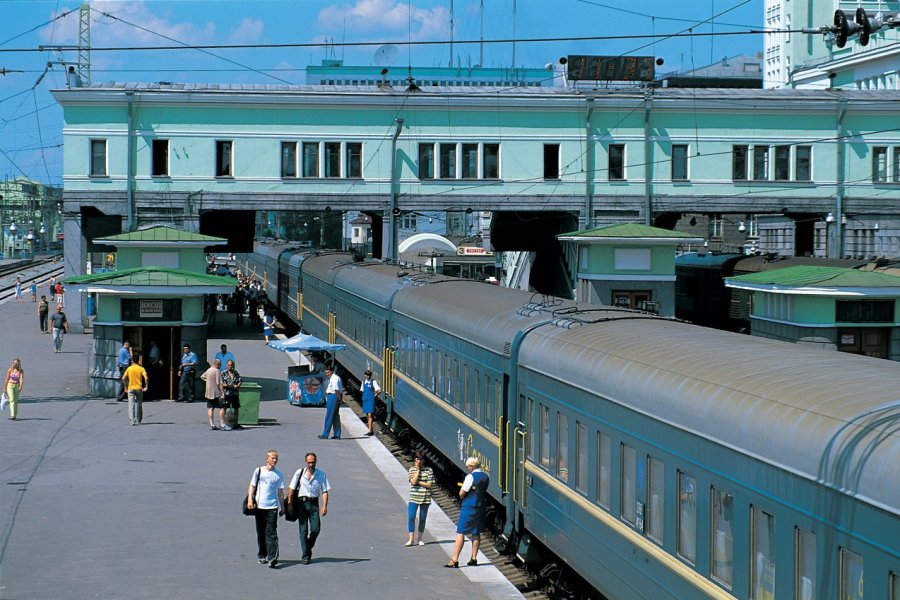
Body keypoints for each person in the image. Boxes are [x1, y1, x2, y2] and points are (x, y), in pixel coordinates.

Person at [445, 456, 489, 568]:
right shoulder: (485, 476)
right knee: (476, 532)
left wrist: (463, 492)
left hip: (469, 507)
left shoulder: (470, 476)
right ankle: (474, 558)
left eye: (469, 466)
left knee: (461, 532)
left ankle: (455, 559)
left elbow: (462, 493)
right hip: (480, 507)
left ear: (472, 466)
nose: (468, 468)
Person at [287, 452, 330, 565]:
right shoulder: (299, 473)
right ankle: (305, 556)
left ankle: (308, 546)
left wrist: (324, 505)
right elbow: (291, 488)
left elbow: (324, 491)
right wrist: (290, 504)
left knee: (315, 529)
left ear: (316, 462)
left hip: (314, 504)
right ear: (305, 462)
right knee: (303, 530)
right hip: (301, 503)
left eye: (313, 462)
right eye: (309, 462)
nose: (311, 464)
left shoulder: (321, 474)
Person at [247, 450, 285, 568]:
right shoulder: (259, 471)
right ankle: (262, 554)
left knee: (271, 532)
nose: (275, 460)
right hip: (259, 506)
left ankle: (273, 557)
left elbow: (280, 492)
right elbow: (252, 485)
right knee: (261, 532)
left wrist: (283, 507)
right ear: (267, 459)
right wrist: (250, 500)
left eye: (276, 458)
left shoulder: (278, 475)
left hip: (272, 507)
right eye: (273, 458)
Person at [406, 451, 434, 546]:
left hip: (425, 498)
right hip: (414, 497)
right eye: (417, 459)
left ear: (423, 460)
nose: (419, 461)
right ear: (415, 460)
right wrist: (418, 470)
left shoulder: (429, 470)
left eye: (421, 459)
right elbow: (413, 482)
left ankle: (420, 539)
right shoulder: (412, 469)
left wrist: (418, 482)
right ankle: (411, 539)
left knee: (422, 518)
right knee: (411, 516)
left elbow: (429, 485)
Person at [121, 350, 148, 426]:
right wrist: (146, 387)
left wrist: (125, 387)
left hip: (131, 388)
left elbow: (123, 378)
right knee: (139, 404)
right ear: (138, 360)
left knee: (131, 405)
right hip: (139, 388)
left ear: (132, 360)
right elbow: (146, 378)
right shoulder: (141, 368)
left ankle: (132, 421)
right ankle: (139, 419)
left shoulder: (129, 369)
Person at [318, 366, 343, 439]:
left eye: (328, 372)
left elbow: (336, 390)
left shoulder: (334, 378)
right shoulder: (335, 378)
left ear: (332, 371)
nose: (327, 374)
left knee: (329, 415)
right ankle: (337, 434)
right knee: (335, 416)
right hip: (334, 396)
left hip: (333, 397)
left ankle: (325, 434)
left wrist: (339, 399)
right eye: (326, 372)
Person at [201, 358, 225, 430]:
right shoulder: (217, 371)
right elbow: (219, 383)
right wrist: (222, 393)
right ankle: (222, 424)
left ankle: (212, 424)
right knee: (222, 408)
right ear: (217, 364)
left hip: (208, 392)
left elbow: (202, 376)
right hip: (216, 393)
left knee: (210, 408)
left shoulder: (208, 370)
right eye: (220, 365)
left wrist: (207, 380)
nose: (220, 366)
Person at [221, 359, 243, 430]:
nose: (230, 367)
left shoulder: (236, 373)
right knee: (224, 408)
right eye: (229, 365)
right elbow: (221, 383)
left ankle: (236, 423)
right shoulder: (223, 373)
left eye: (231, 365)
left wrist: (238, 385)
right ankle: (223, 424)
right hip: (227, 393)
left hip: (234, 394)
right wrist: (228, 386)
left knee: (236, 408)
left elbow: (240, 380)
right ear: (227, 365)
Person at [360, 369, 381, 436]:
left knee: (370, 414)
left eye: (369, 375)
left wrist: (375, 395)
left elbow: (379, 390)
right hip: (365, 399)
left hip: (371, 400)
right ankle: (371, 429)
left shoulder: (373, 382)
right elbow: (362, 390)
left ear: (370, 375)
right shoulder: (363, 382)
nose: (367, 376)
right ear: (365, 375)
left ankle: (369, 430)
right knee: (367, 414)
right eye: (366, 375)